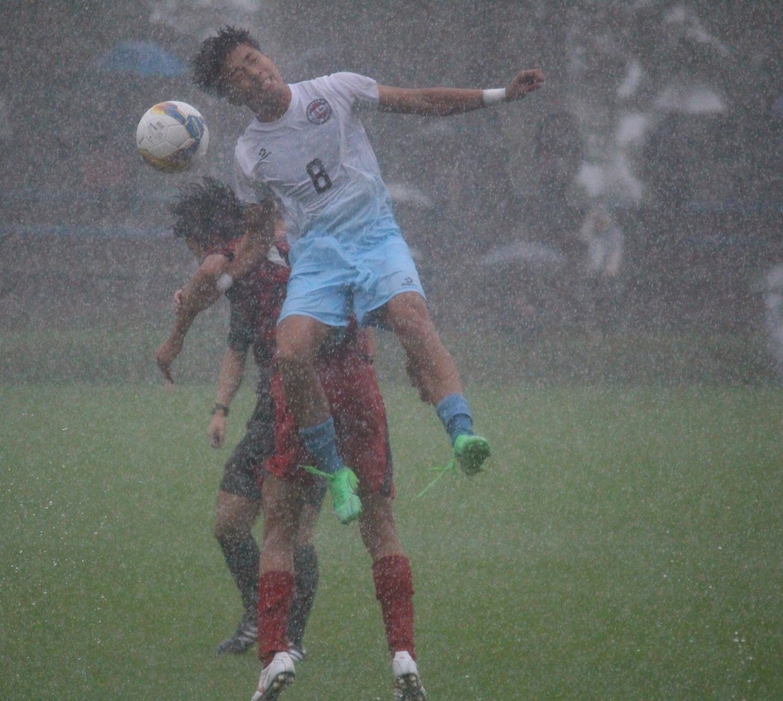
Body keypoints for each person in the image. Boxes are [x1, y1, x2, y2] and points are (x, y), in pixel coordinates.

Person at [191, 26, 544, 526]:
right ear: (231, 95)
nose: (252, 73)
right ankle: (335, 471)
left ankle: (462, 432)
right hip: (316, 259)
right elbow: (254, 240)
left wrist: (500, 95)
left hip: (374, 237)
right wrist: (219, 284)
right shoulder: (249, 154)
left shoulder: (335, 89)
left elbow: (420, 100)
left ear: (268, 56)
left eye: (252, 59)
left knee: (412, 318)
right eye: (237, 75)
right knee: (290, 353)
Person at [156, 178, 429, 701]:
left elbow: (208, 278)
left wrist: (172, 341)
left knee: (284, 528)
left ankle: (280, 648)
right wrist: (420, 362)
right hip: (355, 382)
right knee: (377, 526)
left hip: (296, 385)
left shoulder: (235, 259)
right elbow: (386, 303)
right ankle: (402, 657)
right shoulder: (311, 239)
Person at [156, 178, 322, 660]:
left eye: (189, 244)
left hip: (309, 392)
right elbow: (237, 341)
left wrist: (177, 327)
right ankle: (259, 616)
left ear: (201, 236)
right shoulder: (255, 260)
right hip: (275, 400)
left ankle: (290, 637)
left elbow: (206, 275)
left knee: (294, 529)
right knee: (231, 521)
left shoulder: (235, 256)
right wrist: (221, 410)